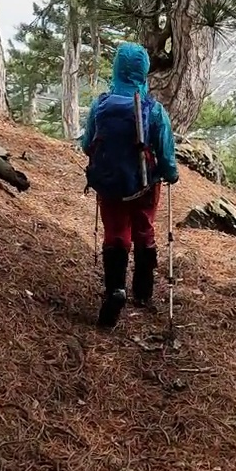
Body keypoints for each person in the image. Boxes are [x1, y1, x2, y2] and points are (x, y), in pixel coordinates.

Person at [81, 42, 179, 329]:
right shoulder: (154, 110)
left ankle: (115, 290)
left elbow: (88, 145)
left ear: (116, 69)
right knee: (144, 230)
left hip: (110, 186)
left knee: (115, 235)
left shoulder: (101, 104)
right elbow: (166, 154)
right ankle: (143, 293)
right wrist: (169, 174)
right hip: (145, 186)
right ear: (144, 72)